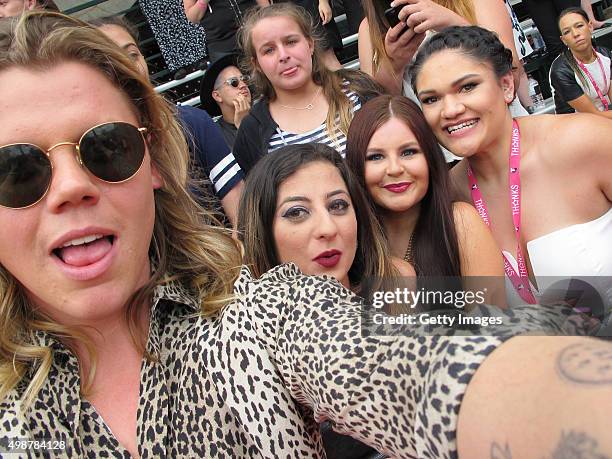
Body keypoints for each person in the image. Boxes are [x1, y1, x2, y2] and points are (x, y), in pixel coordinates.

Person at [3, 11, 612, 459]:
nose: (68, 188)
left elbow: (463, 360)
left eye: (105, 149)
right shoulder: (324, 266)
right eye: (15, 169)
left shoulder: (441, 228)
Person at [409, 25, 612, 307]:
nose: (451, 110)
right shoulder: (444, 197)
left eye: (467, 87)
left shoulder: (584, 142)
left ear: (506, 86)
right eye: (431, 99)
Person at [237, 142, 413, 459]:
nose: (327, 228)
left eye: (337, 206)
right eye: (297, 212)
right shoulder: (249, 348)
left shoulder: (397, 283)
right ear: (264, 231)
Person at [346, 95, 506, 307]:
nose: (394, 169)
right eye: (376, 157)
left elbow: (494, 329)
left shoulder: (460, 223)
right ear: (357, 166)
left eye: (408, 152)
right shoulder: (350, 245)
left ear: (429, 158)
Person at [91, 15, 244, 226]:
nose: (127, 66)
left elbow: (240, 213)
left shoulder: (192, 122)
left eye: (132, 55)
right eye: (112, 60)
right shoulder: (92, 150)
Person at [233, 3, 384, 174]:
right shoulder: (252, 131)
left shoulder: (358, 89)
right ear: (257, 64)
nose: (283, 56)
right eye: (269, 50)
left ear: (310, 44)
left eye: (291, 42)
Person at [550, 7, 612, 118]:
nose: (575, 34)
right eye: (567, 32)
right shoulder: (560, 70)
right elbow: (593, 116)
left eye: (579, 26)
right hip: (577, 125)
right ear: (563, 40)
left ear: (590, 26)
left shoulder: (605, 54)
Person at [183, 0, 266, 62]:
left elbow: (264, 4)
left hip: (255, 33)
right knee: (235, 82)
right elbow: (193, 17)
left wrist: (268, 15)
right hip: (222, 44)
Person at [199, 53, 252, 149]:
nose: (243, 85)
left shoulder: (265, 114)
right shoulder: (215, 136)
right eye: (234, 82)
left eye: (244, 79)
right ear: (217, 96)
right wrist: (243, 129)